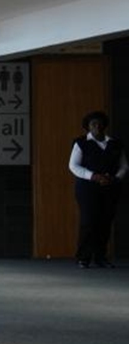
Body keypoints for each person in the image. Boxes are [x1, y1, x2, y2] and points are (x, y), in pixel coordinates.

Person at [69, 110, 127, 268]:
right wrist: (93, 176)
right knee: (88, 221)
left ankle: (100, 257)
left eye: (100, 123)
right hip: (87, 188)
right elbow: (73, 166)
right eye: (93, 124)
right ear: (88, 127)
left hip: (110, 188)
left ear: (104, 126)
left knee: (105, 222)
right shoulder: (81, 143)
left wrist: (114, 178)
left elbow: (124, 166)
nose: (97, 126)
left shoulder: (115, 144)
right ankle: (83, 257)